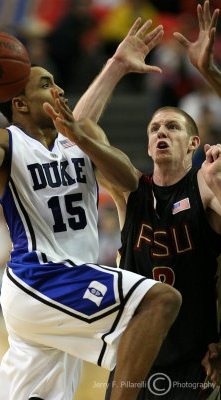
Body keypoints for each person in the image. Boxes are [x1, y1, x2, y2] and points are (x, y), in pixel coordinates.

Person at [0, 19, 182, 400]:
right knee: (160, 300)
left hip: (65, 284)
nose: (60, 88)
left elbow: (126, 176)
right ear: (19, 103)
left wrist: (116, 65)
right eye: (46, 84)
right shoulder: (6, 141)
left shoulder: (77, 138)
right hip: (40, 276)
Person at [74, 1, 221, 398]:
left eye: (172, 126)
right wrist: (117, 65)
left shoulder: (206, 186)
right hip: (136, 357)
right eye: (155, 126)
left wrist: (209, 71)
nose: (161, 131)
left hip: (196, 359)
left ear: (193, 142)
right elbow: (77, 132)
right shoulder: (131, 189)